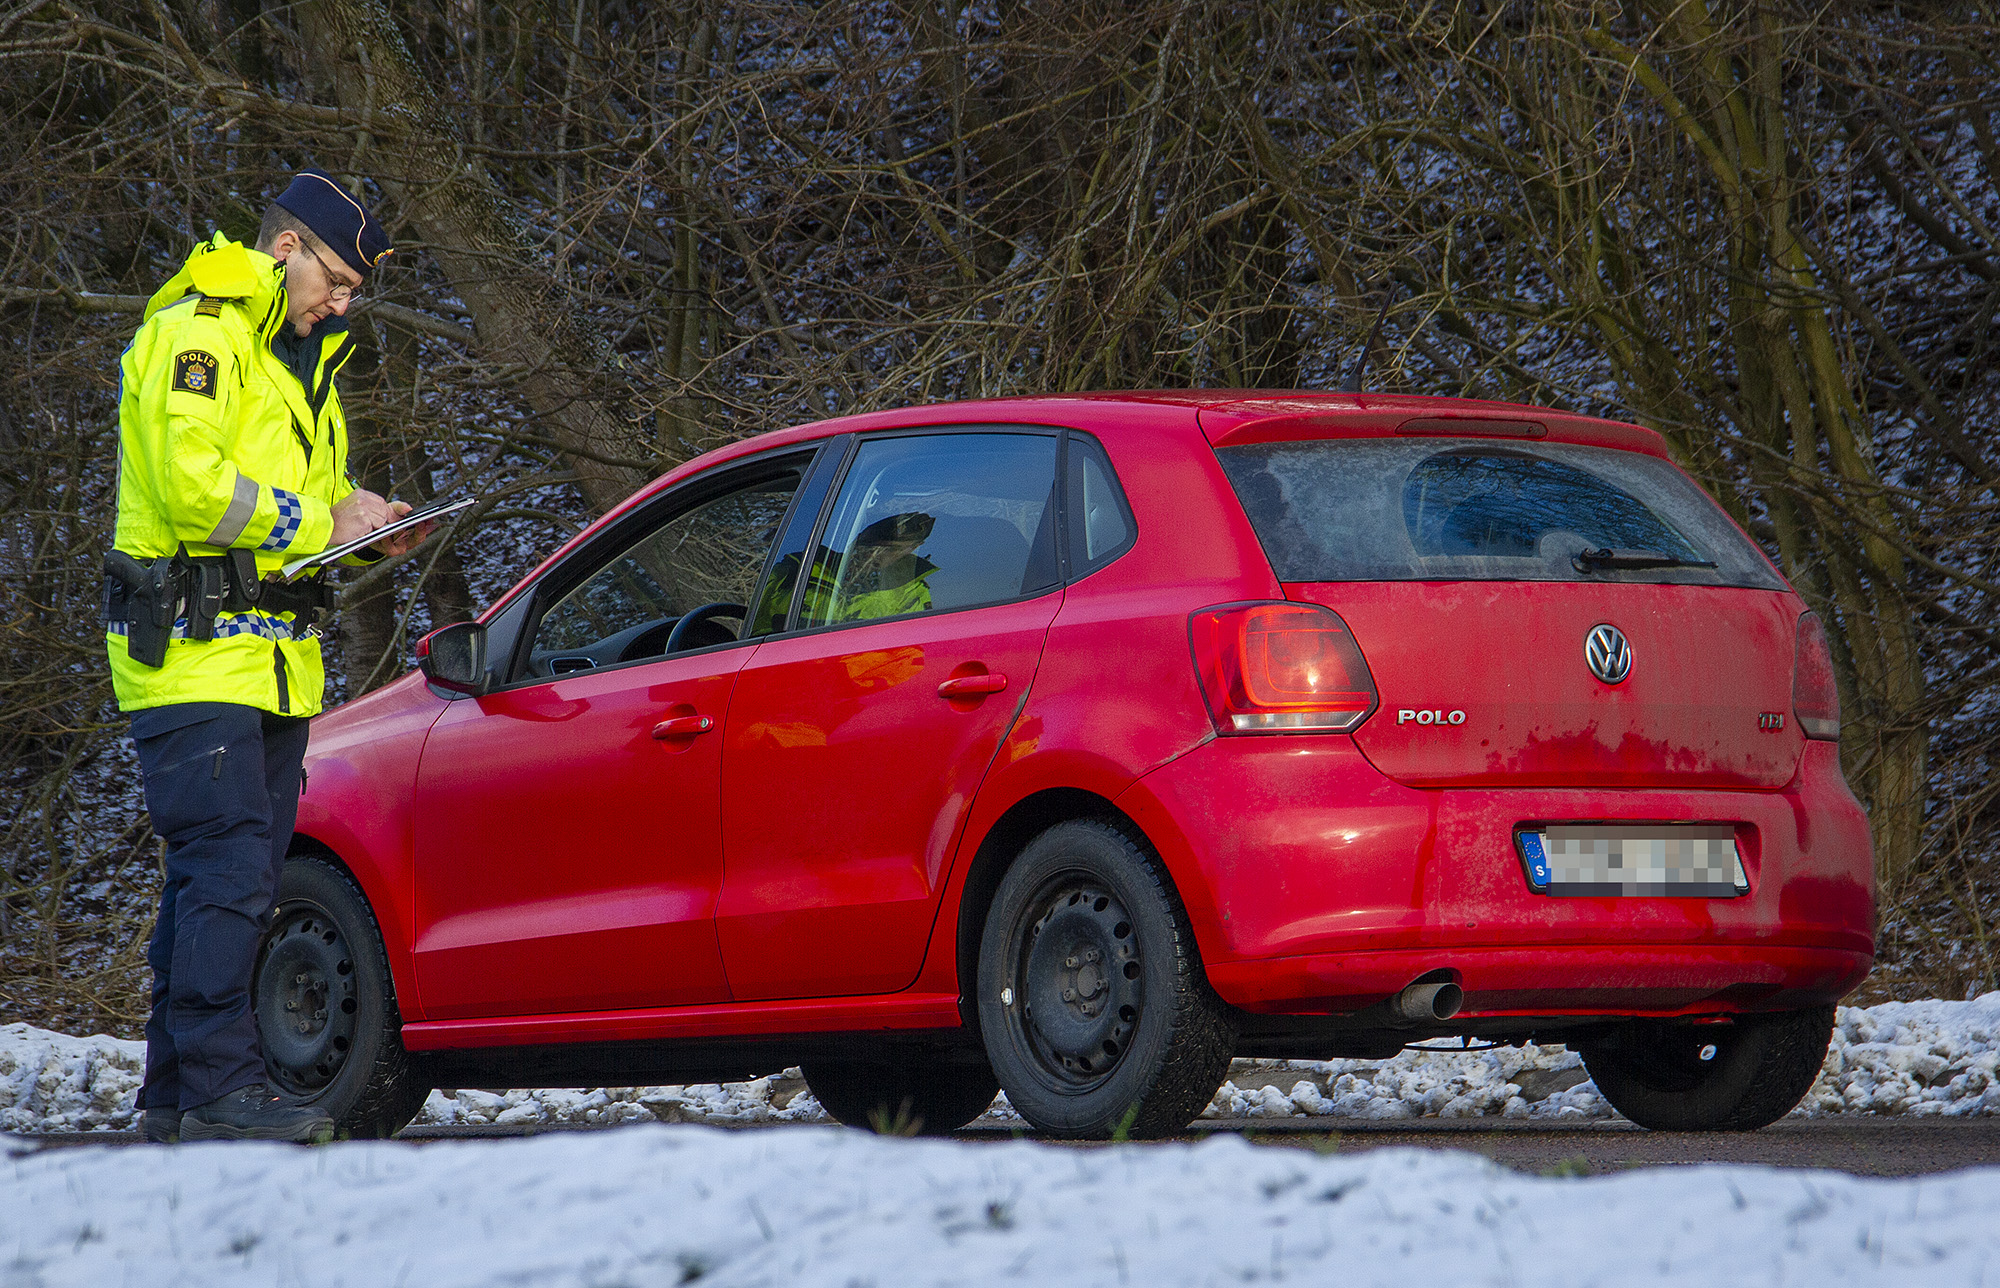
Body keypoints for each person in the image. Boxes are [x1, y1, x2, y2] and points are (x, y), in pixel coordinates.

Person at [105, 168, 430, 1144]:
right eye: (333, 277)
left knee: (214, 872)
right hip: (193, 656)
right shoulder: (200, 332)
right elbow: (194, 488)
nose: (340, 301)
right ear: (283, 248)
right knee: (232, 870)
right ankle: (219, 1088)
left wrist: (364, 525)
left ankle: (174, 1092)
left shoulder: (300, 363)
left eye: (352, 292)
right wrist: (314, 518)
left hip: (272, 661)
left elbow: (313, 509)